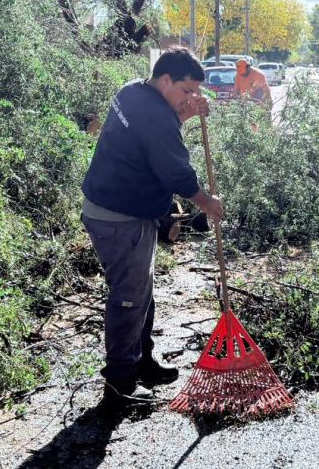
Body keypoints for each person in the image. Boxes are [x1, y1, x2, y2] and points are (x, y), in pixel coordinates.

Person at [81, 48, 226, 409]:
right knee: (129, 297)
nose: (192, 98)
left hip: (115, 208)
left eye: (195, 93)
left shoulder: (133, 91)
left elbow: (149, 141)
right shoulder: (155, 115)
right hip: (118, 217)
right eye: (187, 91)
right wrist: (208, 203)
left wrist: (183, 114)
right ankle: (119, 382)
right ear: (165, 80)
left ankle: (141, 361)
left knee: (141, 292)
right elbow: (174, 170)